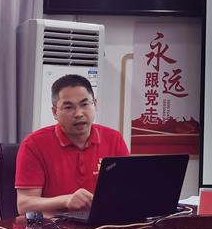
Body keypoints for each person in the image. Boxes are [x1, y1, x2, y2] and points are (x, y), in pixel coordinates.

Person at [15, 74, 129, 214]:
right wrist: (66, 200)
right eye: (68, 107)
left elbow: (128, 191)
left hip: (104, 223)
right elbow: (24, 205)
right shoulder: (33, 144)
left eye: (85, 104)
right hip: (57, 225)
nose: (78, 114)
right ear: (55, 112)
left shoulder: (114, 139)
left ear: (95, 104)